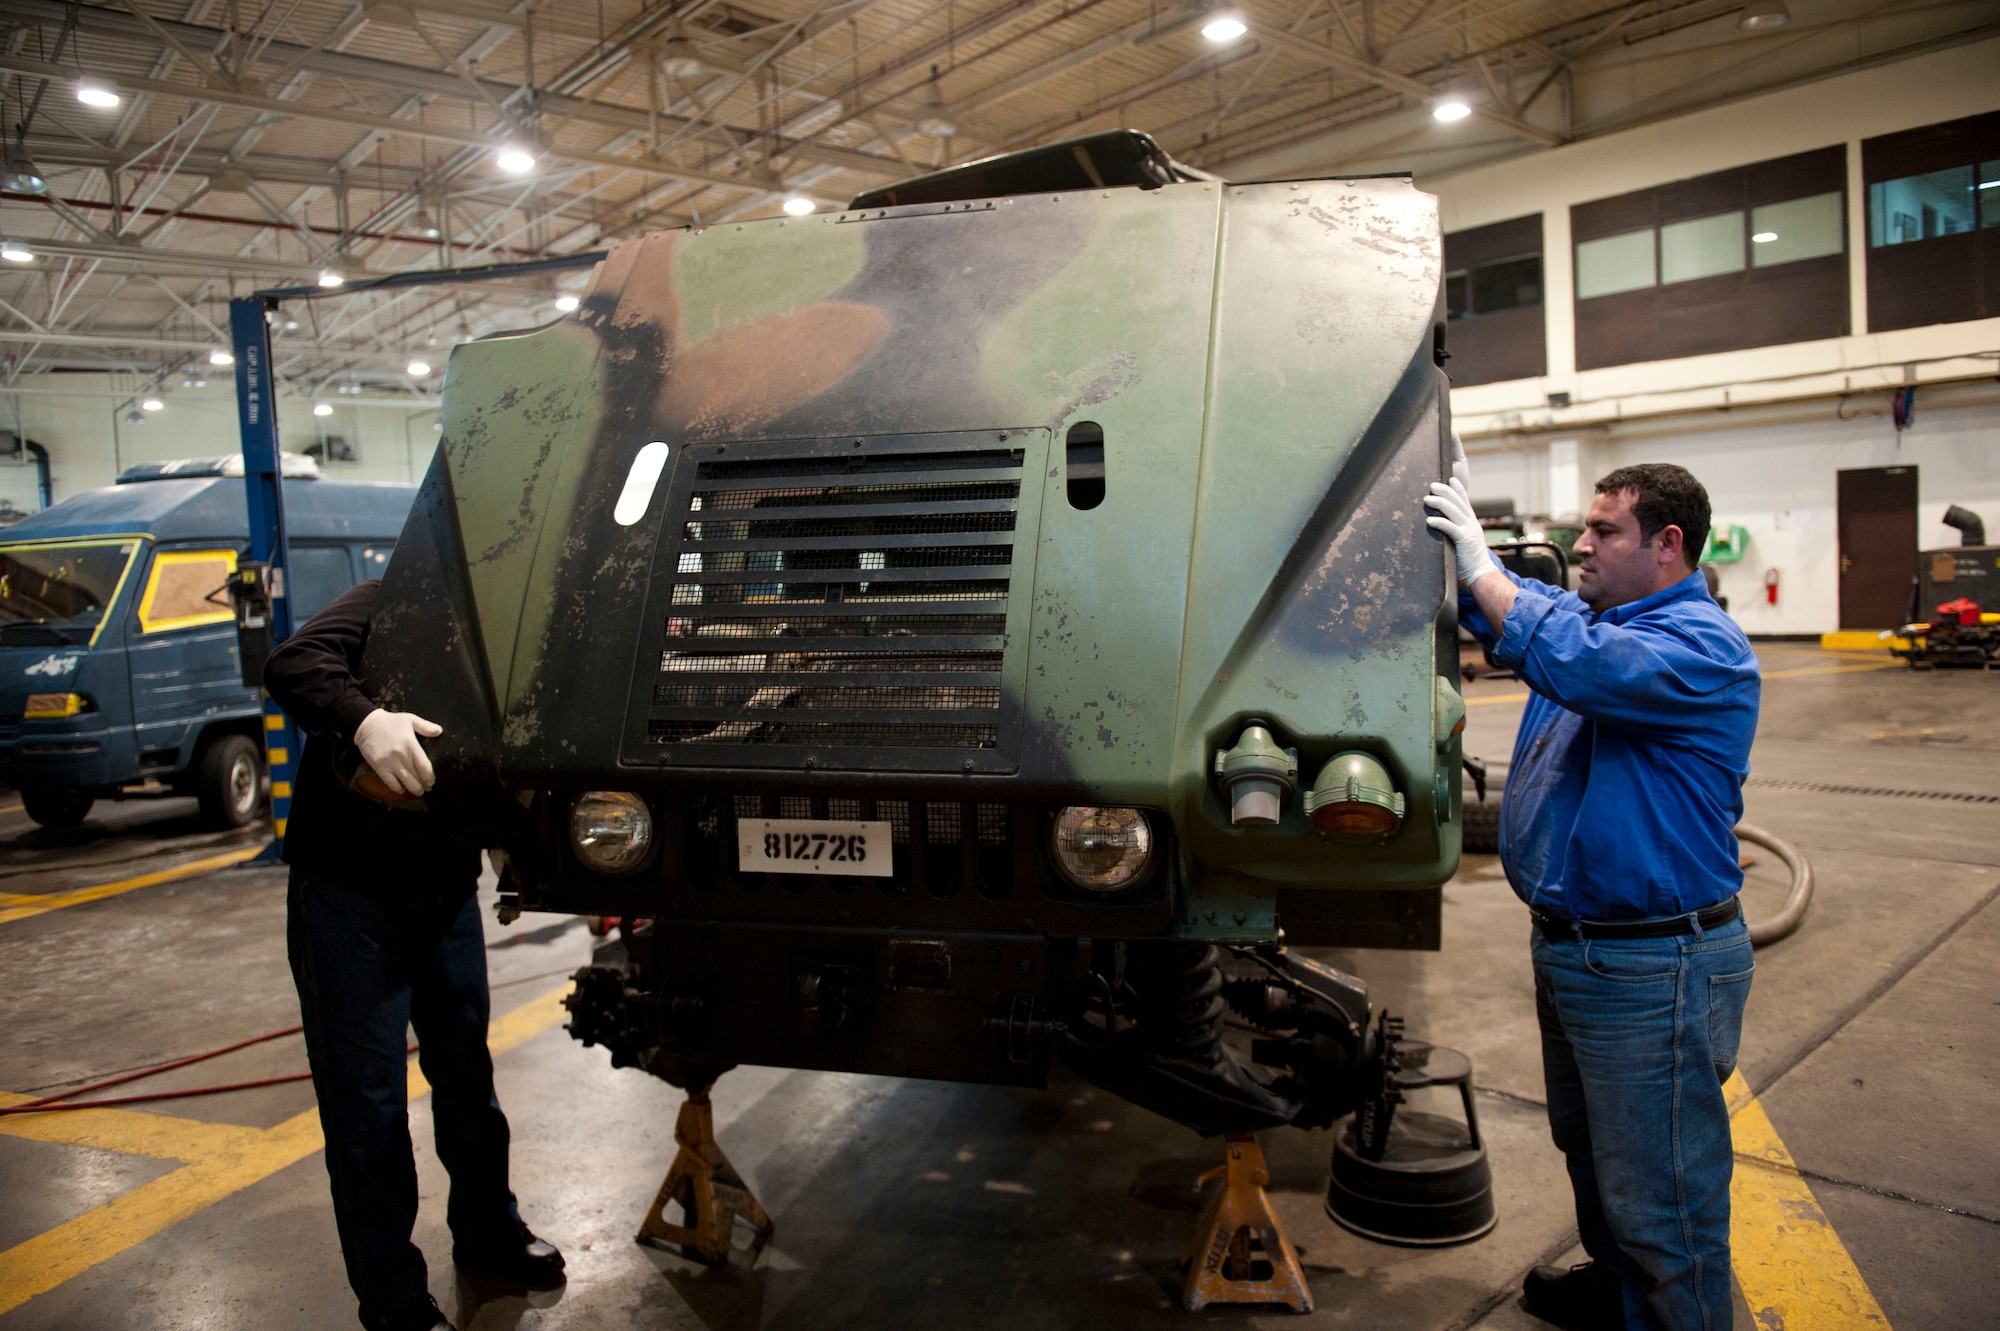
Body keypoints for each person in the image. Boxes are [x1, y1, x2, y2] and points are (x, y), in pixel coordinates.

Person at [1423, 448, 1759, 1331]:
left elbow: (1579, 660)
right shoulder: (1596, 620)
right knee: (1595, 1156)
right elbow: (1510, 616)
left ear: (1668, 545)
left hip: (1654, 964)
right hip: (1578, 950)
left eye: (1604, 530)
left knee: (1665, 1200)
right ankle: (1620, 1298)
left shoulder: (1700, 648)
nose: (1580, 544)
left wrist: (1485, 566)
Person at [266, 578, 564, 1331]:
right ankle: (394, 1299)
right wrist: (363, 719)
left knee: (467, 1075)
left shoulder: (530, 633)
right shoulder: (396, 598)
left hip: (444, 886)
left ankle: (489, 1231)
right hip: (348, 892)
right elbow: (293, 662)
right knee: (367, 1104)